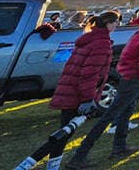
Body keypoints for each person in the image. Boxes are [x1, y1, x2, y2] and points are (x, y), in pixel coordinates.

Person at [16, 12, 116, 170]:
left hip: (69, 88)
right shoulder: (102, 43)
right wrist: (87, 99)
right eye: (116, 23)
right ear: (109, 24)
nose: (116, 26)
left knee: (65, 132)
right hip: (77, 93)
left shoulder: (88, 39)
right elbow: (90, 73)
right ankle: (25, 165)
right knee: (63, 134)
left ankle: (53, 166)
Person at [67, 8, 139, 168]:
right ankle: (80, 155)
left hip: (127, 76)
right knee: (110, 115)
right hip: (134, 78)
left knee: (126, 112)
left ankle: (119, 146)